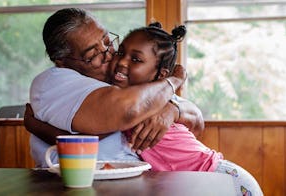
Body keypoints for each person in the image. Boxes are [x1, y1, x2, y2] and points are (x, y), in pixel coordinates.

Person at [27, 8, 203, 168]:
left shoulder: (123, 78)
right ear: (62, 61)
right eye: (93, 54)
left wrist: (172, 110)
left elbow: (196, 123)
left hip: (158, 179)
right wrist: (174, 81)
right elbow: (128, 111)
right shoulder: (53, 82)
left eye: (107, 41)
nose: (109, 54)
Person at [107, 22, 263, 196]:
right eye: (120, 52)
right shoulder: (126, 97)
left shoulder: (148, 102)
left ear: (161, 75)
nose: (121, 61)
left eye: (136, 59)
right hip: (197, 183)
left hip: (222, 178)